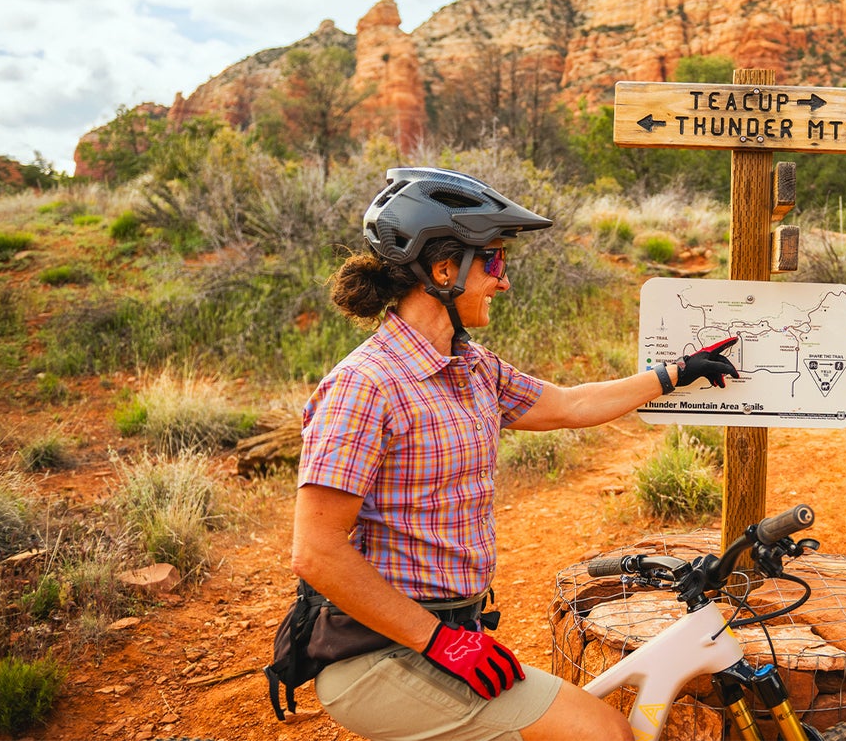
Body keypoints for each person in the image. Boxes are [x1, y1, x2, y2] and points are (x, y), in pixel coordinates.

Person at [290, 167, 740, 741]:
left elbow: (571, 406)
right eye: (495, 262)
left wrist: (674, 374)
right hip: (376, 655)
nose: (503, 282)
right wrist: (440, 641)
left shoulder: (470, 368)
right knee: (605, 734)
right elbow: (317, 552)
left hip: (446, 635)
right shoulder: (365, 386)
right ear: (444, 268)